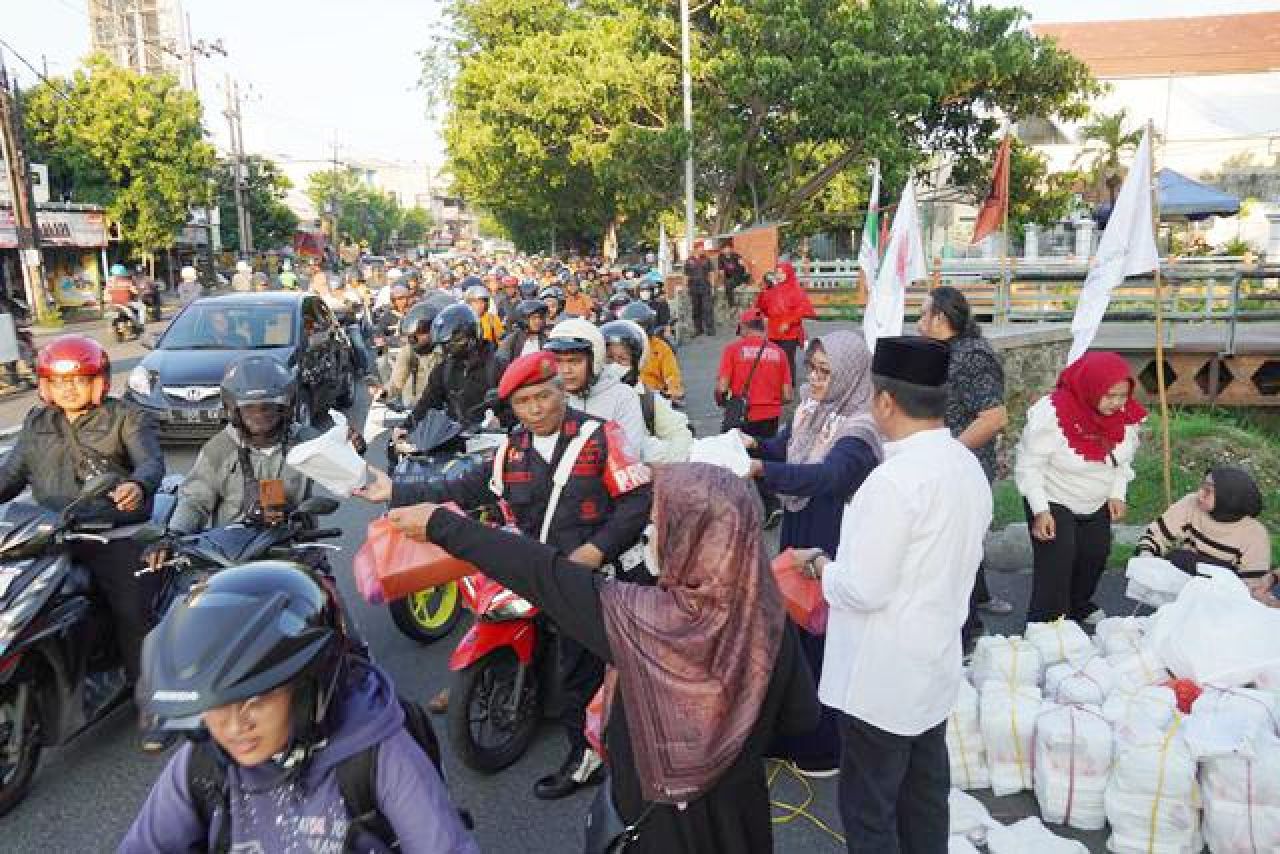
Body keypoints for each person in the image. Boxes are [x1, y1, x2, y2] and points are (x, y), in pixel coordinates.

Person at [382, 463, 819, 852]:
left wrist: (444, 526)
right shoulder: (768, 616)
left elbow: (546, 574)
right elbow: (799, 719)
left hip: (662, 819)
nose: (651, 536)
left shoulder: (649, 622)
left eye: (658, 525)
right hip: (741, 817)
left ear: (691, 535)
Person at [367, 351, 653, 801]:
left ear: (562, 391)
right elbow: (462, 486)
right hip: (537, 571)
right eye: (524, 402)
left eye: (544, 396)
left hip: (593, 576)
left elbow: (637, 501)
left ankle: (586, 759)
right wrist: (396, 490)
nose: (537, 409)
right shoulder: (511, 449)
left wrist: (593, 552)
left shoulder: (601, 437)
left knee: (584, 672)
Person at [792, 336, 991, 854]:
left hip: (880, 676)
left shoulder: (895, 481)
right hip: (934, 661)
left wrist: (819, 566)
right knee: (924, 797)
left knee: (870, 810)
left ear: (884, 402)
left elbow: (863, 587)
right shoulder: (965, 466)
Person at [122, 563, 478, 853]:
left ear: (307, 685)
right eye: (220, 705)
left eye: (256, 699)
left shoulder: (378, 756)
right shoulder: (200, 764)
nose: (234, 726)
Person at [744, 330, 882, 776]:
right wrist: (750, 445)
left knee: (821, 637)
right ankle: (788, 733)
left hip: (830, 538)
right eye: (814, 369)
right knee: (789, 633)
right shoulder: (811, 407)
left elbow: (828, 478)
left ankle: (823, 746)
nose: (817, 380)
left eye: (827, 373)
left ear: (850, 376)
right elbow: (786, 448)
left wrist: (764, 470)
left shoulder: (860, 428)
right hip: (799, 527)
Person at [0, 335, 164, 688]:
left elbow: (150, 463)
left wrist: (137, 486)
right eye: (60, 382)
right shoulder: (37, 422)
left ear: (98, 382)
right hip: (47, 537)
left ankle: (149, 699)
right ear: (46, 386)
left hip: (110, 535)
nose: (69, 390)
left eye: (78, 380)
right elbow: (10, 475)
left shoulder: (127, 417)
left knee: (133, 613)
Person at [1015, 351, 1144, 624]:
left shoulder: (1125, 416)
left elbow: (1122, 462)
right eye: (1109, 395)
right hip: (1052, 496)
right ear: (1091, 388)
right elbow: (1029, 466)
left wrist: (1117, 494)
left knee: (1095, 554)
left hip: (1095, 497)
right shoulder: (1053, 415)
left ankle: (1078, 605)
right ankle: (1045, 624)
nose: (1117, 403)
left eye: (1123, 395)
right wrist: (1040, 510)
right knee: (1057, 562)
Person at [917, 286, 1014, 646]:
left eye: (923, 314)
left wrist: (949, 453)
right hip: (943, 463)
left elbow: (993, 417)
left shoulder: (973, 356)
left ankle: (969, 632)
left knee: (956, 549)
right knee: (958, 545)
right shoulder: (942, 350)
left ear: (941, 318)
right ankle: (979, 599)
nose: (918, 323)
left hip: (964, 467)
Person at [1137, 465, 1271, 583]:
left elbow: (1253, 585)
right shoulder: (1191, 503)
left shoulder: (1254, 534)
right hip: (1186, 577)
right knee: (1176, 557)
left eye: (1208, 491)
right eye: (1202, 486)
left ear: (1228, 498)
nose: (1199, 494)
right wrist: (1146, 557)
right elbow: (1156, 535)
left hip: (1224, 592)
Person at [545, 316, 648, 455]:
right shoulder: (546, 395)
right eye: (558, 362)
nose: (566, 370)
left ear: (595, 361)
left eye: (574, 361)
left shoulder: (622, 396)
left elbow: (629, 452)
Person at [601, 319, 693, 463]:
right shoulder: (587, 396)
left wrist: (661, 460)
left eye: (622, 359)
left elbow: (680, 436)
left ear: (637, 362)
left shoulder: (647, 400)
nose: (614, 366)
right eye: (609, 359)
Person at [407, 303, 500, 428]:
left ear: (468, 337)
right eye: (443, 345)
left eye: (449, 344)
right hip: (453, 438)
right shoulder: (444, 369)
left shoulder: (497, 366)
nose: (446, 349)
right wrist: (405, 427)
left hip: (491, 439)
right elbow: (427, 404)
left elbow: (515, 407)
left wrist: (499, 421)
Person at [716, 309, 793, 441]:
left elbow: (722, 388)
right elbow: (787, 395)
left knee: (742, 456)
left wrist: (723, 401)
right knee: (766, 454)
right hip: (771, 418)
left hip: (742, 415)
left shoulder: (732, 350)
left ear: (744, 327)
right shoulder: (779, 352)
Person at [754, 260, 816, 382]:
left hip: (789, 333)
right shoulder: (772, 290)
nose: (779, 275)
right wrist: (763, 292)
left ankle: (788, 385)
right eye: (777, 272)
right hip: (773, 331)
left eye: (782, 272)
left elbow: (802, 310)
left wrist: (789, 322)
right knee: (775, 358)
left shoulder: (796, 290)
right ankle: (777, 384)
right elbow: (762, 308)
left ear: (788, 273)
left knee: (787, 359)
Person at [384, 299, 446, 408]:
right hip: (416, 407)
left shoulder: (447, 350)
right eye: (413, 334)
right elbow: (396, 383)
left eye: (421, 333)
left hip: (445, 409)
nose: (415, 338)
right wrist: (381, 394)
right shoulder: (409, 350)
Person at [621, 301, 684, 405]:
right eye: (632, 327)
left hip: (653, 399)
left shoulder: (660, 347)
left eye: (641, 326)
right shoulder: (617, 348)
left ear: (648, 325)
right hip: (624, 399)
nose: (637, 331)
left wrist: (674, 390)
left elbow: (672, 374)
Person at [496, 298, 550, 371]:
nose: (538, 321)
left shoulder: (546, 340)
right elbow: (501, 364)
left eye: (540, 318)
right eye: (534, 318)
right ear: (523, 319)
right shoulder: (512, 340)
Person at [684, 245, 715, 336]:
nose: (702, 250)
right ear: (695, 250)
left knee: (707, 308)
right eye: (700, 249)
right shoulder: (689, 261)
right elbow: (686, 275)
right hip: (693, 287)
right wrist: (685, 287)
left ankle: (710, 329)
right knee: (696, 309)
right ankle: (698, 329)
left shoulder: (707, 260)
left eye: (703, 249)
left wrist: (713, 286)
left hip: (705, 286)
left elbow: (711, 273)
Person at [718, 244, 749, 308]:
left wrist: (747, 272)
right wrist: (722, 280)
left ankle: (732, 305)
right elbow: (721, 271)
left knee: (728, 285)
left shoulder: (735, 256)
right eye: (725, 249)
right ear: (722, 250)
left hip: (738, 275)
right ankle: (731, 304)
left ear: (731, 249)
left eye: (728, 248)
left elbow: (744, 264)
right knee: (727, 283)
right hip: (729, 277)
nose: (727, 250)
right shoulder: (721, 257)